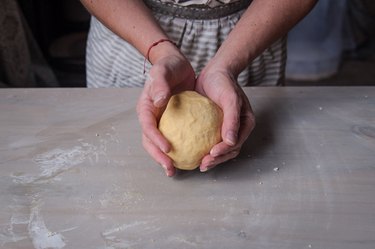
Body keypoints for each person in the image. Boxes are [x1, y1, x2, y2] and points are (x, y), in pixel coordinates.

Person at [80, 0, 316, 177]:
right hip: (132, 30)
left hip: (253, 30)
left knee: (238, 128)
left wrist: (225, 66)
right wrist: (160, 52)